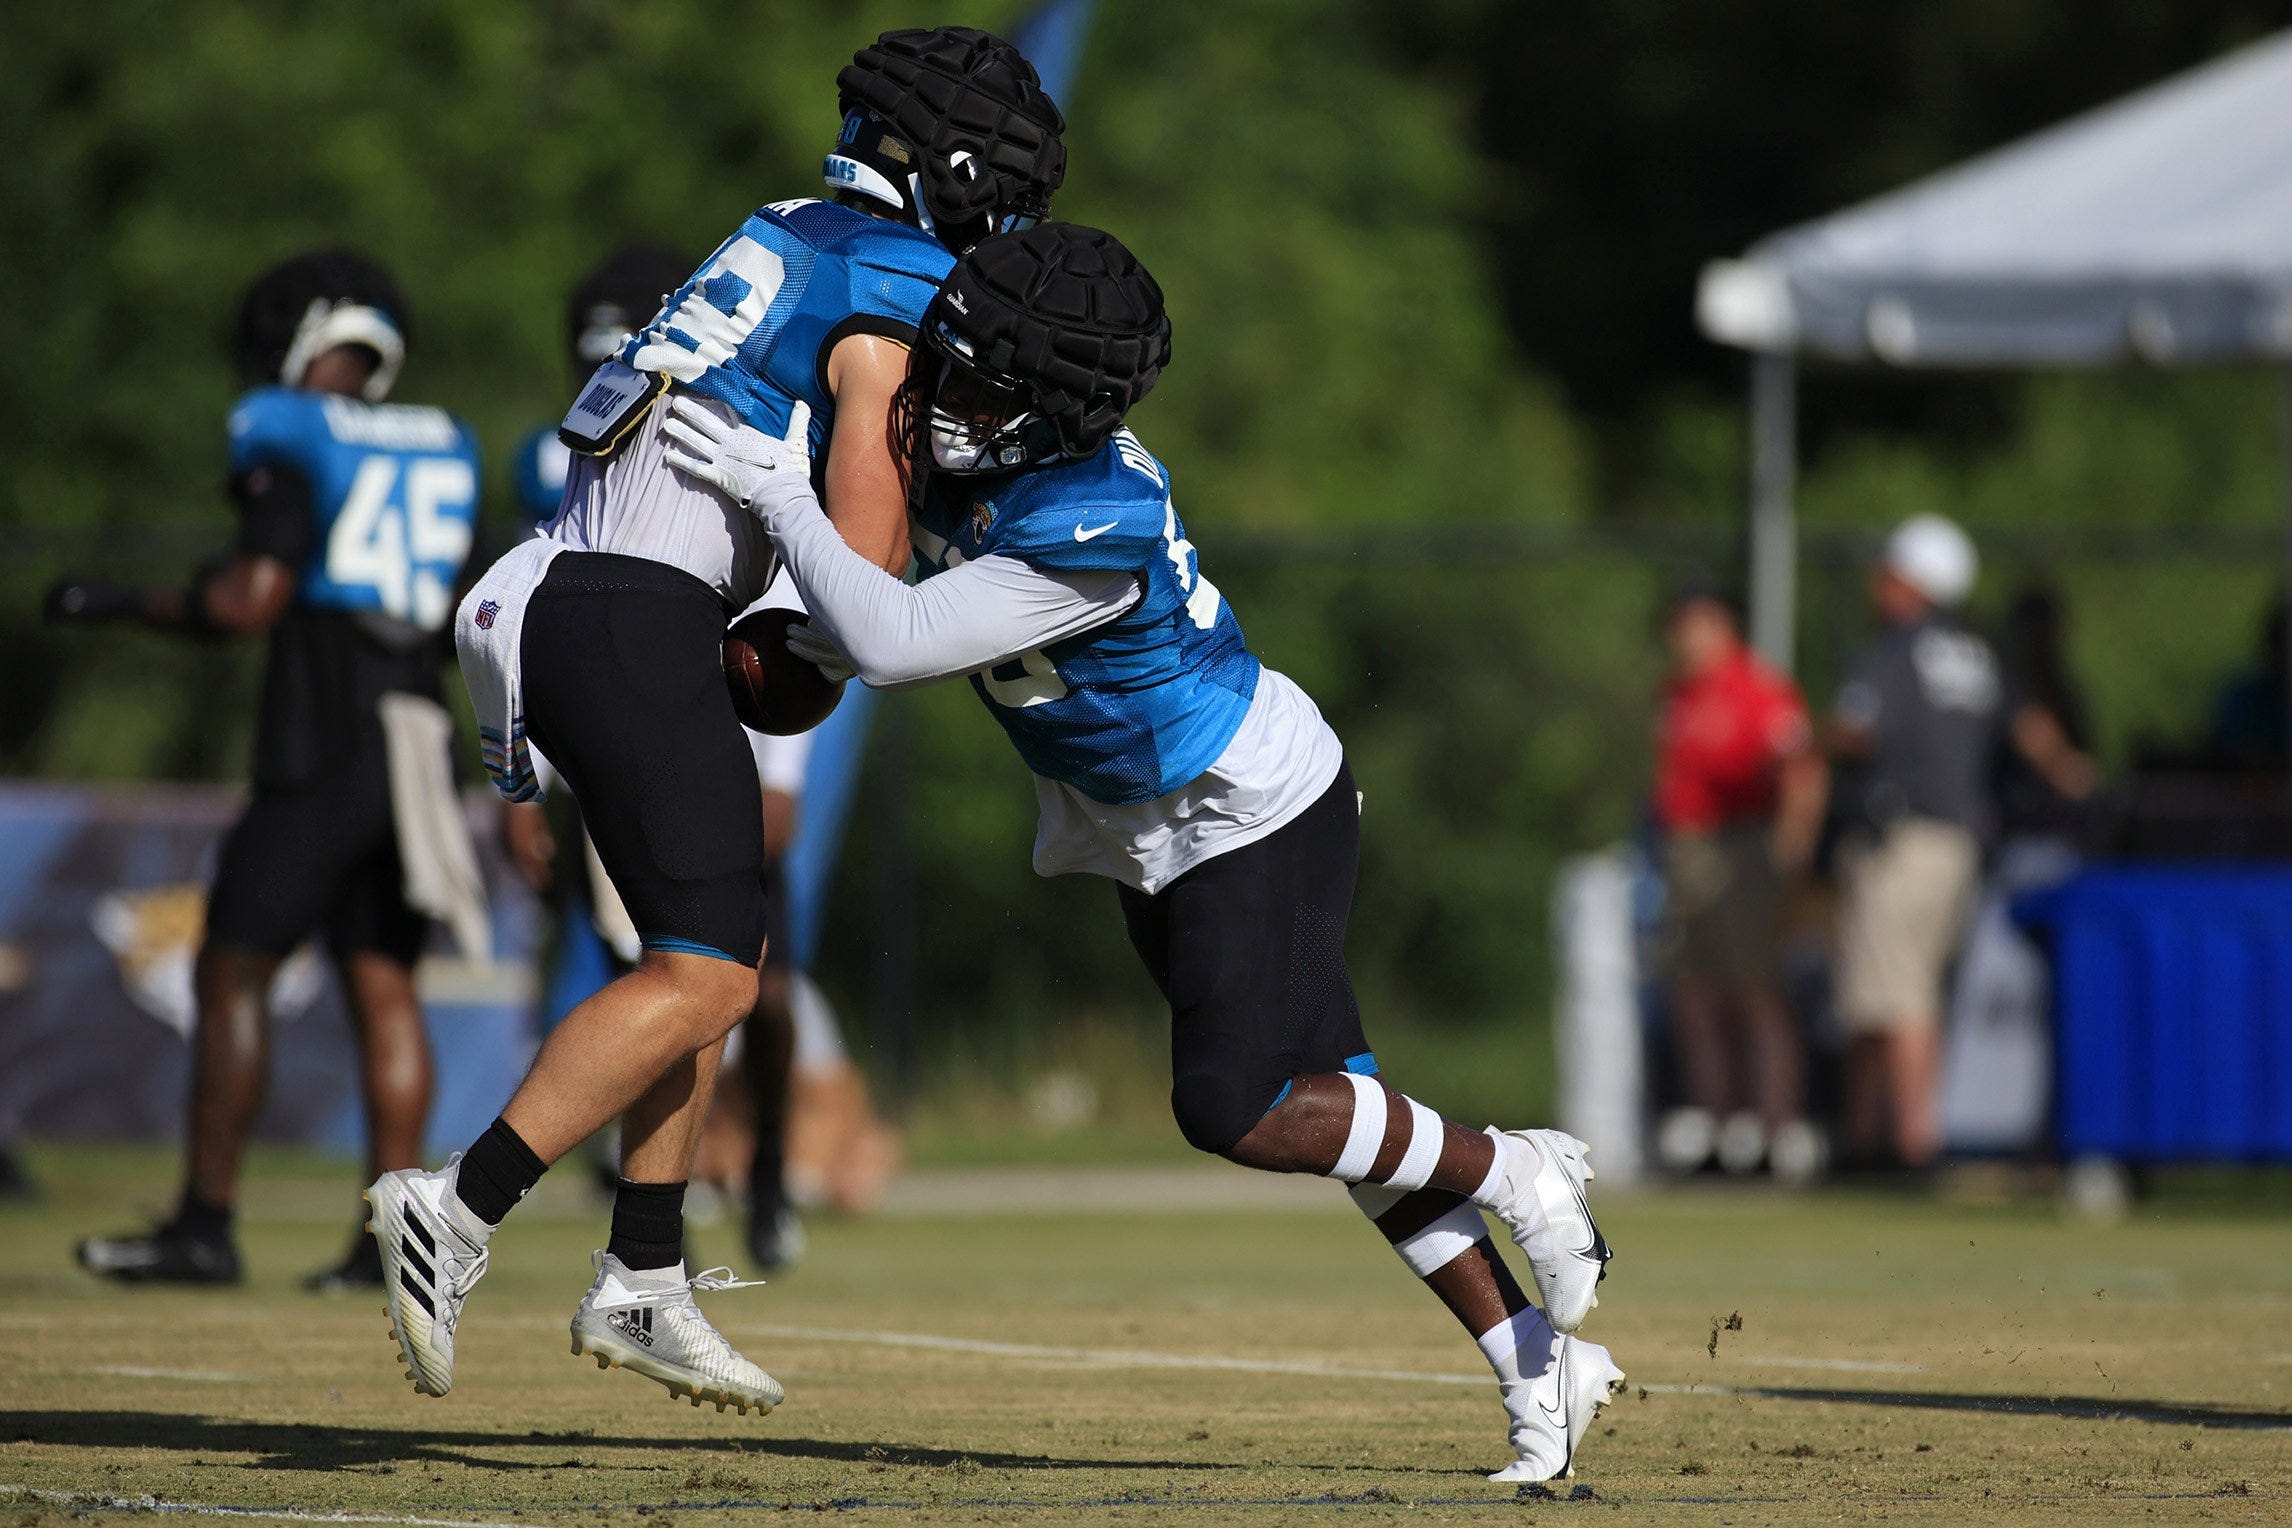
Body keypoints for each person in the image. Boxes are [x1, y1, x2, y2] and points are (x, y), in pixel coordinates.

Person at [666, 222, 1622, 1482]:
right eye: (955, 365)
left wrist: (782, 496)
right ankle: (1539, 1364)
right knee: (1346, 1111)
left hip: (1245, 805)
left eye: (997, 387)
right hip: (1137, 828)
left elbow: (896, 640)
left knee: (1238, 1104)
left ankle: (1520, 1163)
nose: (956, 402)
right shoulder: (955, 431)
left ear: (1062, 410)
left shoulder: (1096, 512)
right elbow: (861, 611)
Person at [368, 27, 1066, 1416]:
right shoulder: (893, 279)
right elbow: (863, 552)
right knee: (716, 982)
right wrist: (851, 630)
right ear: (955, 169)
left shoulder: (781, 225)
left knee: (712, 951)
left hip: (577, 590)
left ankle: (644, 1273)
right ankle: (457, 1200)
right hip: (641, 612)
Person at [46, 250, 481, 1289]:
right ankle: (399, 1246)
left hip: (322, 735)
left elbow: (252, 597)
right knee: (386, 985)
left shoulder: (286, 427)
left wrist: (122, 604)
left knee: (230, 962)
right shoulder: (446, 439)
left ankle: (206, 1221)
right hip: (418, 736)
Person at [1826, 514, 2000, 1172]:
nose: (1880, 583)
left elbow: (1855, 729)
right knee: (1902, 988)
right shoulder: (1976, 652)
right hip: (1957, 839)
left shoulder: (1897, 649)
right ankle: (1873, 1137)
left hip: (1900, 840)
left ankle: (1907, 1145)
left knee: (1895, 995)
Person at [1650, 581, 1826, 1182]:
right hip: (1688, 849)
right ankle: (1716, 1123)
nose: (1683, 637)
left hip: (1744, 845)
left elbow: (1800, 769)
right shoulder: (1677, 693)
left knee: (1756, 987)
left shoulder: (1758, 688)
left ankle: (1775, 1127)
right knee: (1694, 990)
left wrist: (1789, 852)